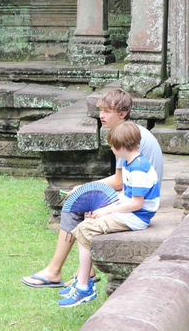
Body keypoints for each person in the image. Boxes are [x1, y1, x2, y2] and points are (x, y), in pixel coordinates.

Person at [21, 88, 163, 288]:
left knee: (75, 202)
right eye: (100, 110)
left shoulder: (126, 138)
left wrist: (84, 188)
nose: (101, 116)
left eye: (107, 111)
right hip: (136, 195)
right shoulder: (129, 131)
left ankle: (55, 270)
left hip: (137, 203)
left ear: (122, 114)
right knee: (82, 201)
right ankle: (84, 269)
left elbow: (119, 182)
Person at [58, 121, 160, 307]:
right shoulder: (133, 162)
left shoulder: (138, 169)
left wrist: (107, 210)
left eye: (112, 146)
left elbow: (136, 203)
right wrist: (101, 210)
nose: (111, 150)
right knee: (86, 225)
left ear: (120, 147)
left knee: (85, 229)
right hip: (130, 212)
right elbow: (126, 196)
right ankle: (84, 279)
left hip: (136, 217)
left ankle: (83, 287)